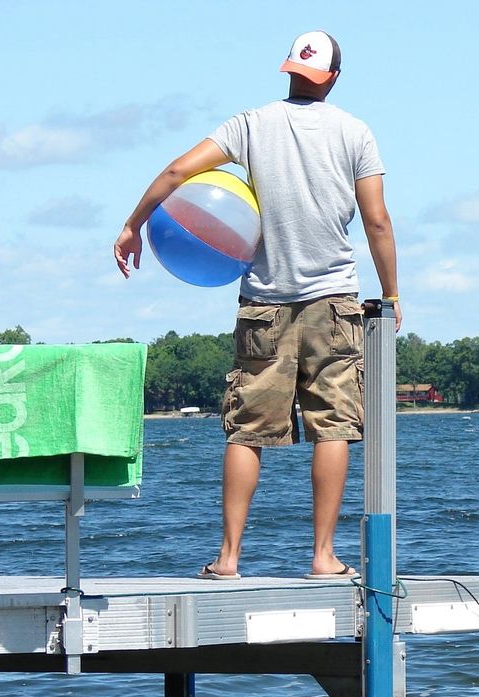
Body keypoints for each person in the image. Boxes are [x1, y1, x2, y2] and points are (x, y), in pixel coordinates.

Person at [114, 30, 400, 581]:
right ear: (333, 78)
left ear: (288, 69)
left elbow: (178, 172)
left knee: (247, 430)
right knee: (333, 427)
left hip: (264, 303)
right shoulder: (355, 132)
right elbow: (377, 220)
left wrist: (134, 225)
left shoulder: (249, 124)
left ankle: (228, 558)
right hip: (334, 302)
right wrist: (390, 294)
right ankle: (322, 557)